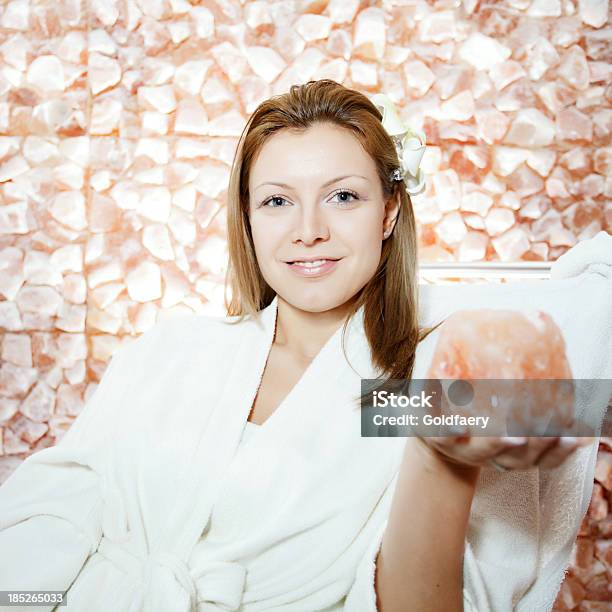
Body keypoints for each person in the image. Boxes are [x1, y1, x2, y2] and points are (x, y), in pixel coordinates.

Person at [0, 79, 596, 611]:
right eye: (278, 200)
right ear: (249, 218)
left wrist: (442, 452)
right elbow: (46, 526)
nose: (308, 229)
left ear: (388, 211)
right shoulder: (171, 350)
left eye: (343, 197)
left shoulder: (413, 391)